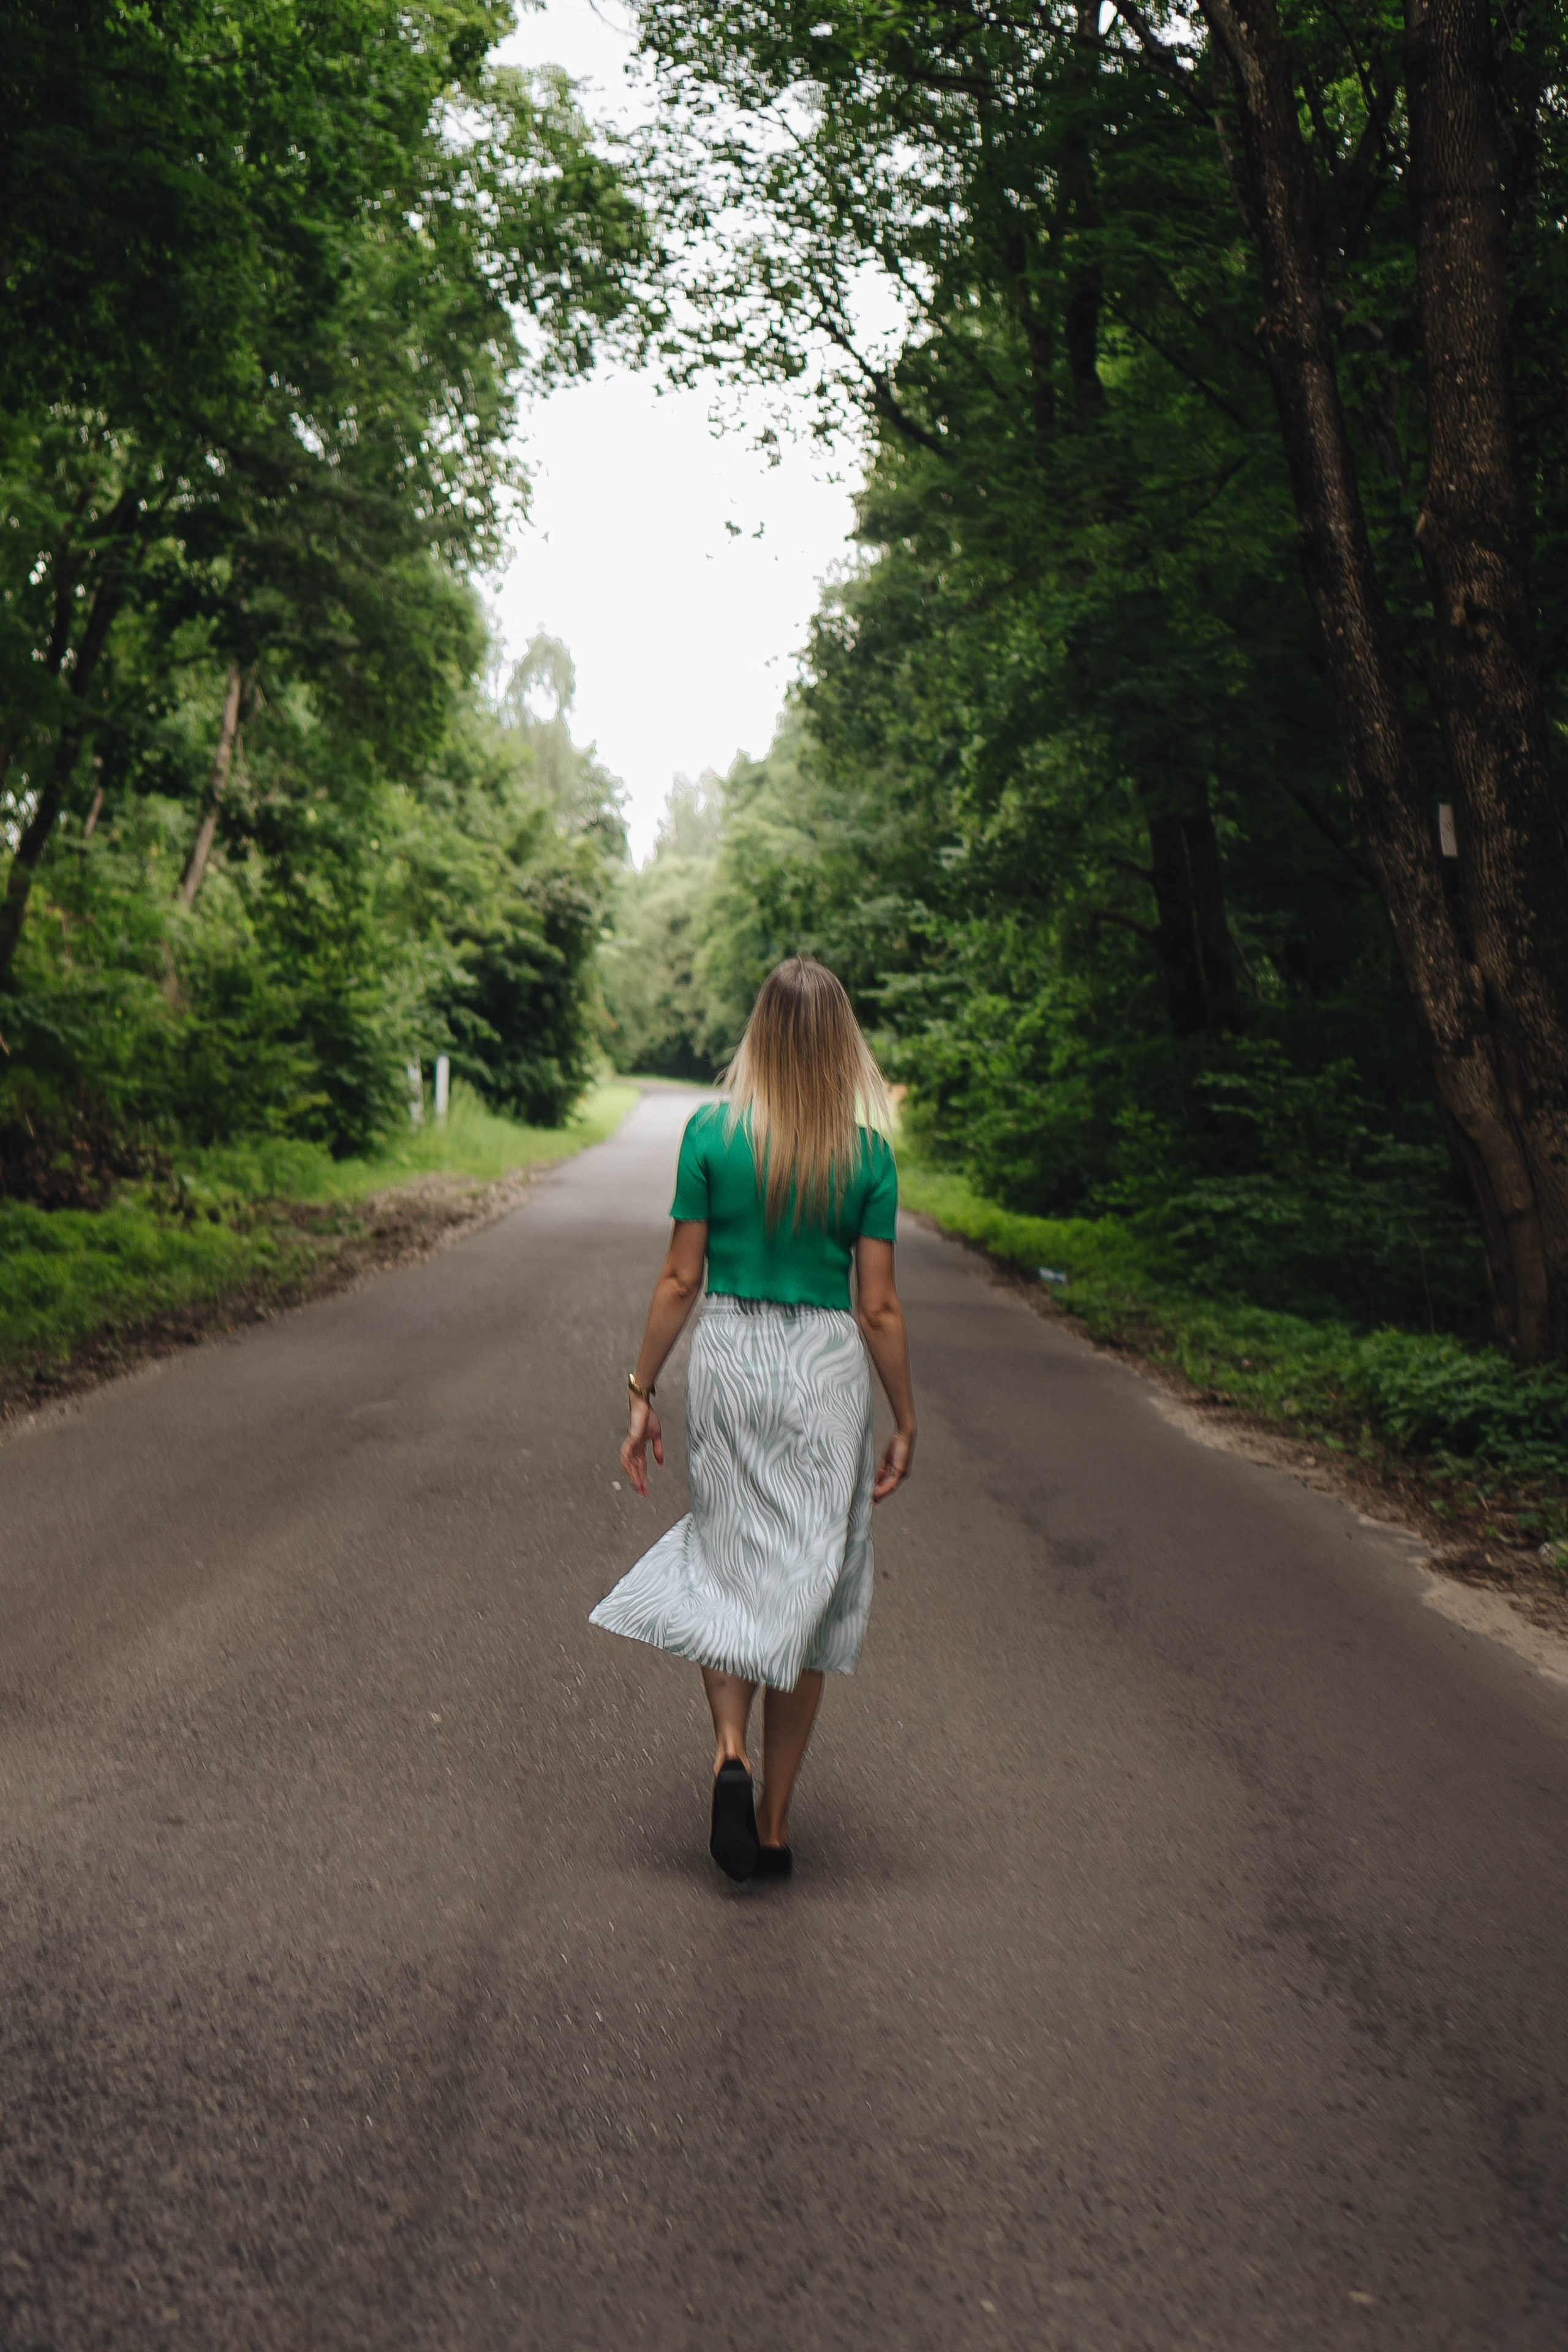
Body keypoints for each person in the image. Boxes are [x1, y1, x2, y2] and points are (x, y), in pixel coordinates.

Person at [589, 956, 918, 1883]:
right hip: (823, 1372)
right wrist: (906, 1419)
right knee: (810, 1579)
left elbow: (680, 1278)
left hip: (730, 1356)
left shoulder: (709, 1133)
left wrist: (641, 1387)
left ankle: (728, 1749)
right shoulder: (866, 1158)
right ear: (840, 1043)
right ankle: (771, 1826)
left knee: (725, 1559)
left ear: (760, 1037)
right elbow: (881, 1309)